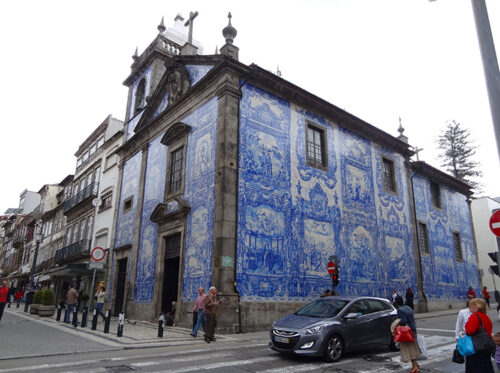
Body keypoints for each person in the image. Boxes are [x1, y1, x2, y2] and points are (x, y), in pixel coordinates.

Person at [464, 298, 494, 373]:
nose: (469, 309)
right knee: (487, 366)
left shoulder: (474, 316)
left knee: (476, 367)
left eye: (470, 307)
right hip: (487, 345)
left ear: (476, 307)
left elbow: (470, 331)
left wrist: (467, 326)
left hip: (477, 347)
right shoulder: (485, 316)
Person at [393, 295, 420, 373]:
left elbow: (403, 321)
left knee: (410, 349)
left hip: (407, 332)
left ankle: (415, 367)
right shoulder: (408, 308)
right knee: (413, 348)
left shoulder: (400, 310)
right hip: (413, 330)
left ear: (397, 303)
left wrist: (397, 324)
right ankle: (415, 365)